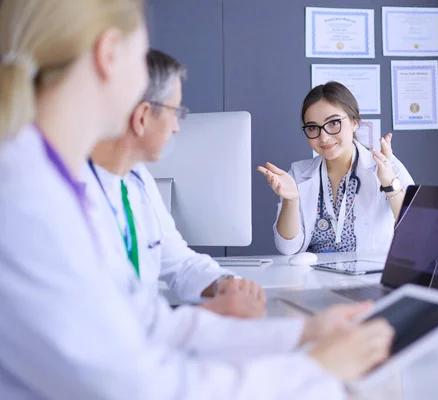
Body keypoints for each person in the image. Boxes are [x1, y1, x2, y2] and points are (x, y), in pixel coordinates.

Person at [0, 1, 394, 398]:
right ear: (108, 56)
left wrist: (303, 333)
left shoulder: (48, 181)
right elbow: (142, 387)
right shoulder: (27, 201)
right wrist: (314, 368)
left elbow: (143, 319)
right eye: (141, 58)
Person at [85, 49, 265, 318]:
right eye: (175, 111)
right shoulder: (73, 193)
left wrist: (223, 284)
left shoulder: (137, 179)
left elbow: (179, 262)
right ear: (143, 115)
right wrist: (208, 313)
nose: (177, 127)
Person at [259, 81, 414, 255]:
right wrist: (291, 200)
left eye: (333, 123)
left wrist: (388, 182)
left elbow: (415, 231)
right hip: (313, 279)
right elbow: (288, 248)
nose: (323, 137)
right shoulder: (298, 174)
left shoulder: (388, 166)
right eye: (312, 127)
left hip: (367, 276)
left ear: (354, 122)